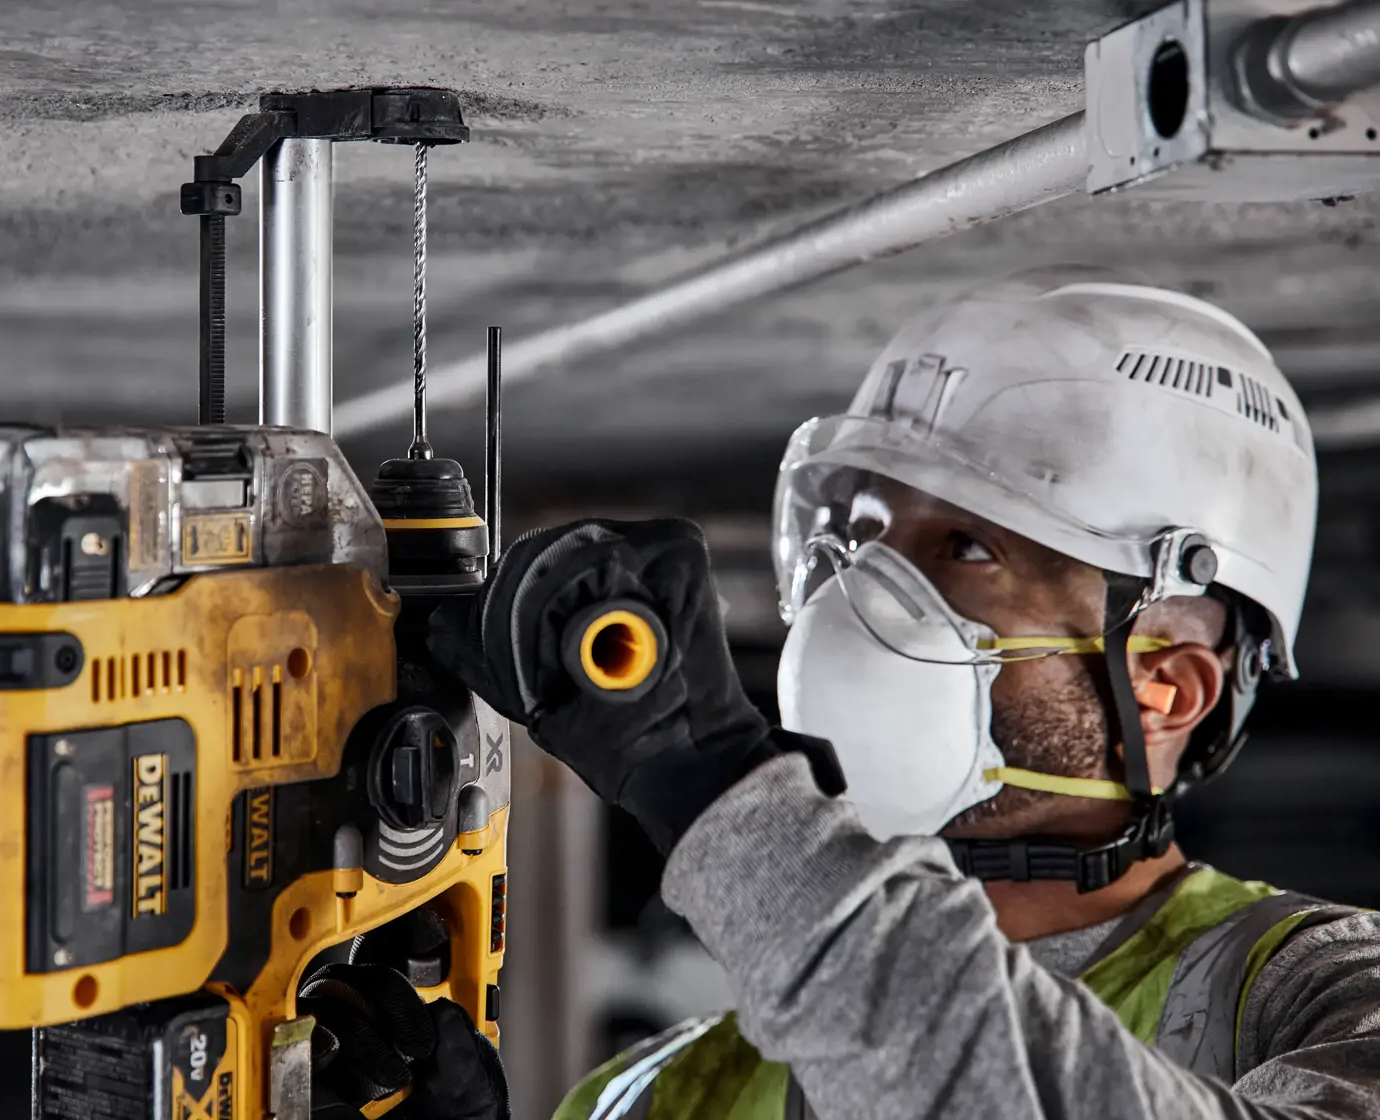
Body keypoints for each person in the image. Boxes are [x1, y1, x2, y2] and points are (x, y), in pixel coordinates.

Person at [304, 269, 1380, 1119]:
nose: (863, 595)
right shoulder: (662, 1096)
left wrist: (715, 789)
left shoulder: (1322, 994)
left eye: (963, 546)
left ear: (1162, 685)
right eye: (858, 536)